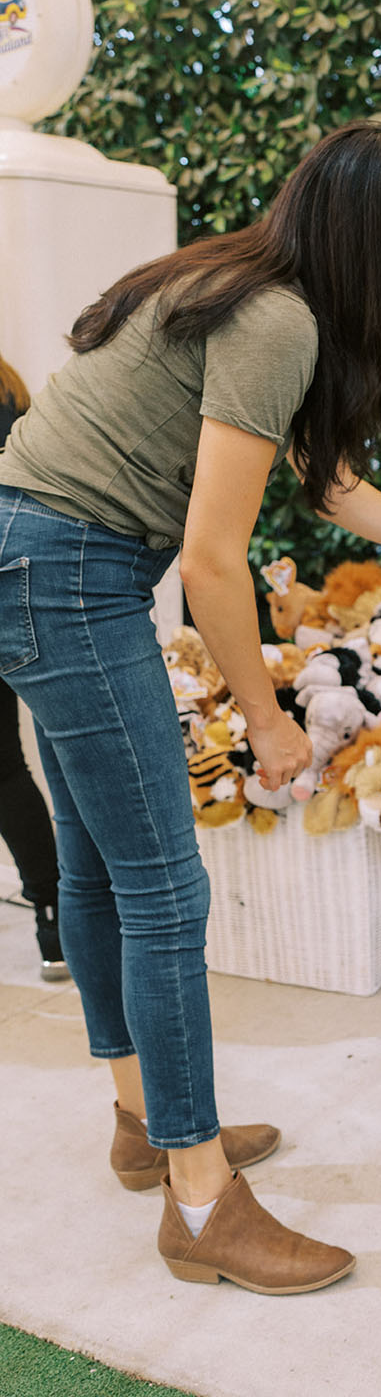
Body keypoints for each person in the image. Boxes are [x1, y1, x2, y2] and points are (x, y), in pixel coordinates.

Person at [0, 119, 381, 1295]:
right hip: (68, 572)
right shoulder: (276, 317)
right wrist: (270, 719)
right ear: (378, 236)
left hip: (39, 558)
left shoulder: (246, 291)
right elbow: (212, 560)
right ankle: (201, 1202)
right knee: (164, 890)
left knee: (97, 873)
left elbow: (321, 477)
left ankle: (146, 1127)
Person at [0, 353, 67, 981]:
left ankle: (53, 907)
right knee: (6, 767)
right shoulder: (12, 387)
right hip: (16, 582)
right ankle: (52, 912)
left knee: (4, 769)